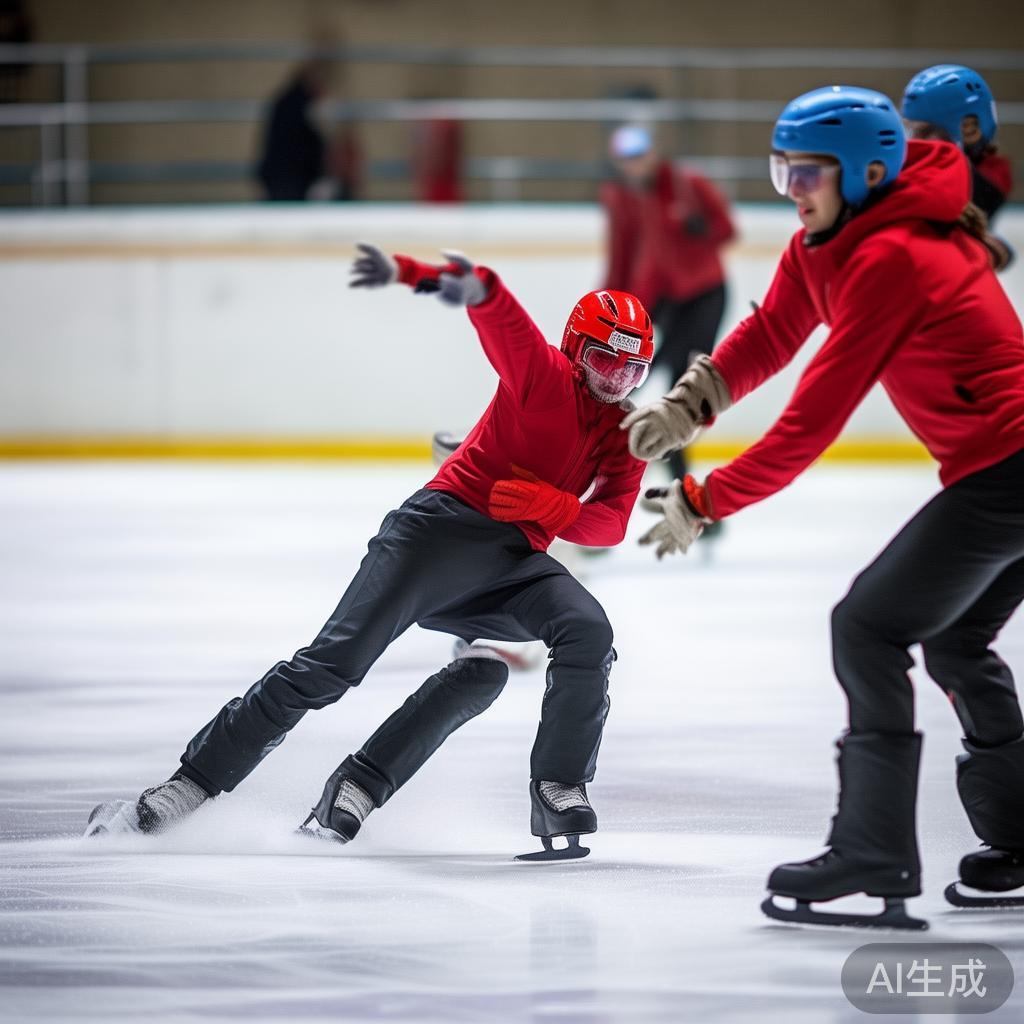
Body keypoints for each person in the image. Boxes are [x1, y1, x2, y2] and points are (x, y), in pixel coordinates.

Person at [86, 246, 652, 862]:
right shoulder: (540, 374)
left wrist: (556, 509)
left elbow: (612, 525)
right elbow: (494, 307)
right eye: (604, 361)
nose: (617, 381)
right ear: (573, 349)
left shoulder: (627, 434)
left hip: (511, 565)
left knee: (582, 632)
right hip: (433, 538)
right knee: (330, 669)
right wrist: (424, 275)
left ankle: (537, 784)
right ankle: (185, 788)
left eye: (634, 370)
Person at [624, 86, 1024, 928]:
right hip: (1000, 470)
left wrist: (702, 496)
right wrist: (690, 405)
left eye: (809, 171)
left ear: (869, 171)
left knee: (867, 627)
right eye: (783, 170)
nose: (794, 188)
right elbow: (773, 329)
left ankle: (874, 850)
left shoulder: (896, 259)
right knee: (954, 642)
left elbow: (810, 425)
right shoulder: (829, 240)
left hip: (1009, 470)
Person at [602, 123, 736, 483]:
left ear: (653, 153)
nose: (635, 165)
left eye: (640, 155)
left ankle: (679, 483)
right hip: (663, 299)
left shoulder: (687, 184)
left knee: (675, 382)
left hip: (705, 294)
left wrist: (700, 228)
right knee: (650, 381)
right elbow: (621, 258)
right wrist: (608, 305)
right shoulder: (623, 198)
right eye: (626, 159)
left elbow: (727, 229)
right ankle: (679, 483)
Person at [902, 64, 1013, 225]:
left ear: (970, 129)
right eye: (910, 131)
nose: (913, 142)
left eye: (924, 132)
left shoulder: (992, 176)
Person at [255, 62, 328, 201]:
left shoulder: (285, 102)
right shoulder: (304, 107)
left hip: (278, 175)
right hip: (291, 177)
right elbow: (309, 143)